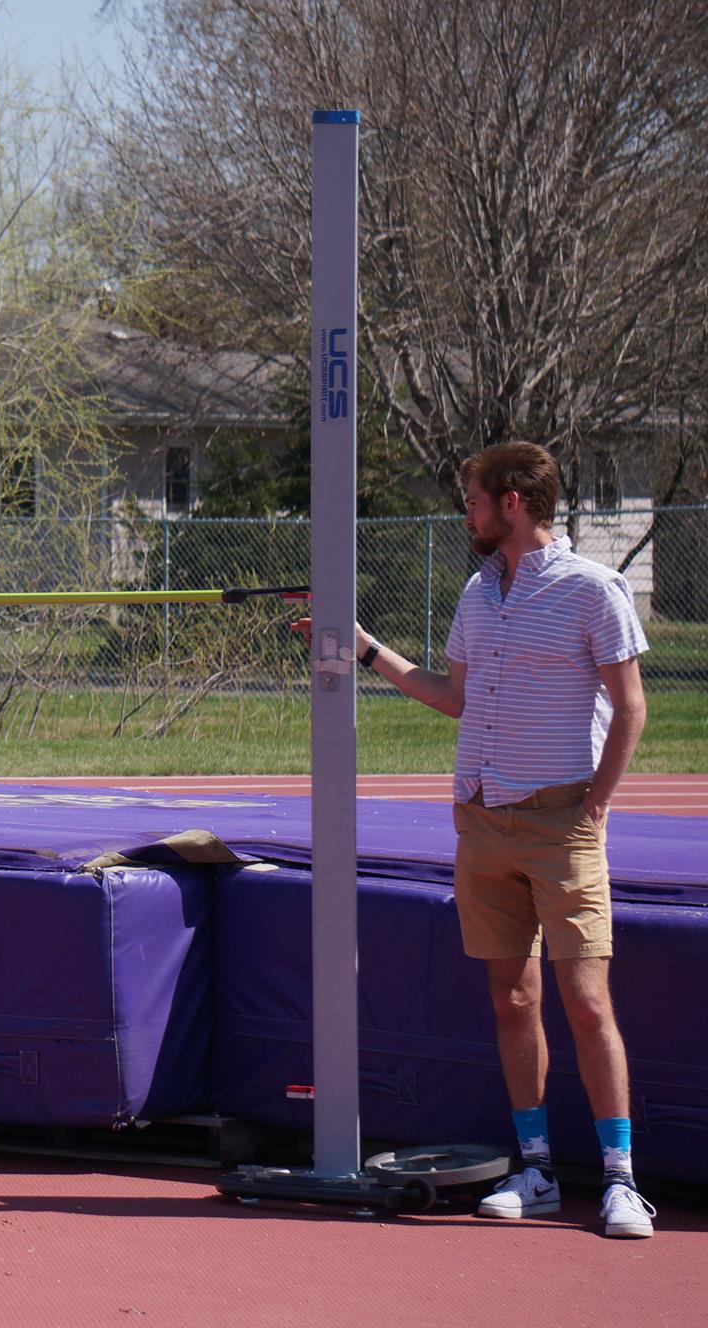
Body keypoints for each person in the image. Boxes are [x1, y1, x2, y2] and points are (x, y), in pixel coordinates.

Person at [294, 441, 653, 1238]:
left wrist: (593, 808)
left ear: (514, 502)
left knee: (587, 1004)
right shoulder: (479, 592)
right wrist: (365, 648)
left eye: (476, 499)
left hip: (562, 825)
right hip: (482, 823)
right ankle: (537, 1171)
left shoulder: (596, 590)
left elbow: (630, 707)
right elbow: (452, 698)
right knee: (511, 997)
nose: (469, 512)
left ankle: (622, 1181)